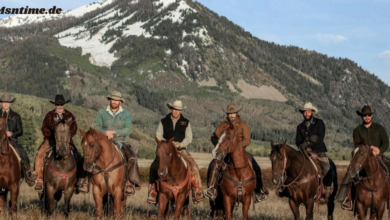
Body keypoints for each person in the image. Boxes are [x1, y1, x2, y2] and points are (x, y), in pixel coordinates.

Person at [206, 104, 268, 203]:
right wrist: (219, 146)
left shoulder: (243, 125)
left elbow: (247, 140)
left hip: (241, 152)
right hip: (225, 152)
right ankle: (211, 188)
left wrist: (237, 146)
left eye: (233, 113)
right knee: (214, 165)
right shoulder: (222, 125)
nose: (232, 116)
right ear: (227, 114)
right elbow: (214, 137)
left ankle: (259, 191)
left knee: (256, 167)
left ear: (236, 113)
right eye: (230, 114)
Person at [147, 100, 205, 204]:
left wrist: (181, 144)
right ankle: (153, 191)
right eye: (174, 109)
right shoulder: (163, 121)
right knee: (153, 166)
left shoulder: (186, 122)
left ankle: (197, 190)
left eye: (178, 110)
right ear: (171, 109)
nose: (176, 111)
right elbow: (158, 135)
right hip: (166, 150)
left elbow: (189, 137)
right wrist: (166, 144)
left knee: (193, 165)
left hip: (180, 149)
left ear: (181, 111)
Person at [336, 105, 389, 210]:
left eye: (369, 115)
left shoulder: (379, 128)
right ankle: (346, 198)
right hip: (363, 157)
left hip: (378, 157)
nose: (367, 117)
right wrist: (368, 150)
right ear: (361, 116)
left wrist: (379, 150)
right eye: (365, 115)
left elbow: (386, 142)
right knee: (351, 172)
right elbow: (357, 146)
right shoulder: (357, 130)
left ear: (372, 115)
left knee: (389, 170)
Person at [33, 94, 87, 192]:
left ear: (64, 105)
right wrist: (53, 134)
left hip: (66, 141)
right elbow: (44, 128)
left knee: (78, 157)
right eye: (57, 105)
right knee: (40, 155)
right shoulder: (49, 115)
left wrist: (67, 136)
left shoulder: (69, 115)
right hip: (50, 140)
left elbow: (74, 128)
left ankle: (78, 182)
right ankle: (39, 179)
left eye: (61, 104)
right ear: (55, 105)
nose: (59, 107)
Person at [94, 91, 140, 195]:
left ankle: (129, 182)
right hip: (103, 141)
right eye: (113, 99)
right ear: (110, 100)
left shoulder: (126, 114)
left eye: (117, 100)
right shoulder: (102, 113)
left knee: (132, 157)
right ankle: (83, 181)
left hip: (120, 142)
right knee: (89, 154)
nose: (114, 102)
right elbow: (96, 127)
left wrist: (113, 133)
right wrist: (105, 132)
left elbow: (128, 129)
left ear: (120, 102)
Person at [295, 102, 332, 203]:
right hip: (304, 153)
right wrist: (301, 145)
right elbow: (297, 141)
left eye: (308, 111)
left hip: (319, 151)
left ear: (312, 112)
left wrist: (307, 141)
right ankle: (289, 189)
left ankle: (326, 191)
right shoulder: (300, 127)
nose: (306, 114)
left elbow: (320, 137)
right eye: (305, 112)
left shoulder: (319, 123)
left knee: (327, 168)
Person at [0, 93, 37, 186]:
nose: (5, 104)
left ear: (10, 103)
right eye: (4, 102)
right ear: (1, 103)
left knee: (23, 154)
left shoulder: (16, 116)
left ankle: (28, 176)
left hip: (12, 140)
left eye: (7, 102)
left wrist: (11, 133)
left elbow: (20, 131)